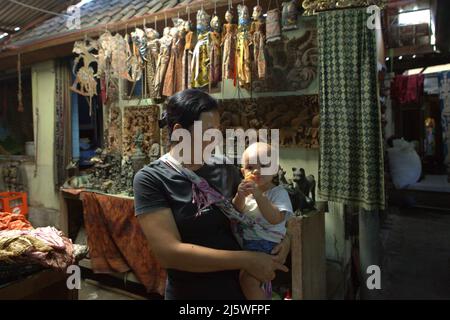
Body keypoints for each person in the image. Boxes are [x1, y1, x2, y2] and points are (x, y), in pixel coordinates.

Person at [133, 89, 290, 300]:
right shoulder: (151, 179)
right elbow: (169, 253)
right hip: (192, 294)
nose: (216, 139)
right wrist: (246, 260)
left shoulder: (225, 167)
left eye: (217, 130)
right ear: (180, 132)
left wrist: (284, 240)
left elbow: (254, 213)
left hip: (240, 290)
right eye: (209, 132)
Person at [233, 142, 293, 300]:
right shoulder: (247, 192)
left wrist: (259, 195)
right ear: (242, 172)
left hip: (266, 243)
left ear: (275, 169)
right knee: (250, 281)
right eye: (250, 166)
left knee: (248, 280)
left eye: (265, 165)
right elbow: (237, 210)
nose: (256, 170)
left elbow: (275, 219)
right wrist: (239, 196)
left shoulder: (278, 193)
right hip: (249, 243)